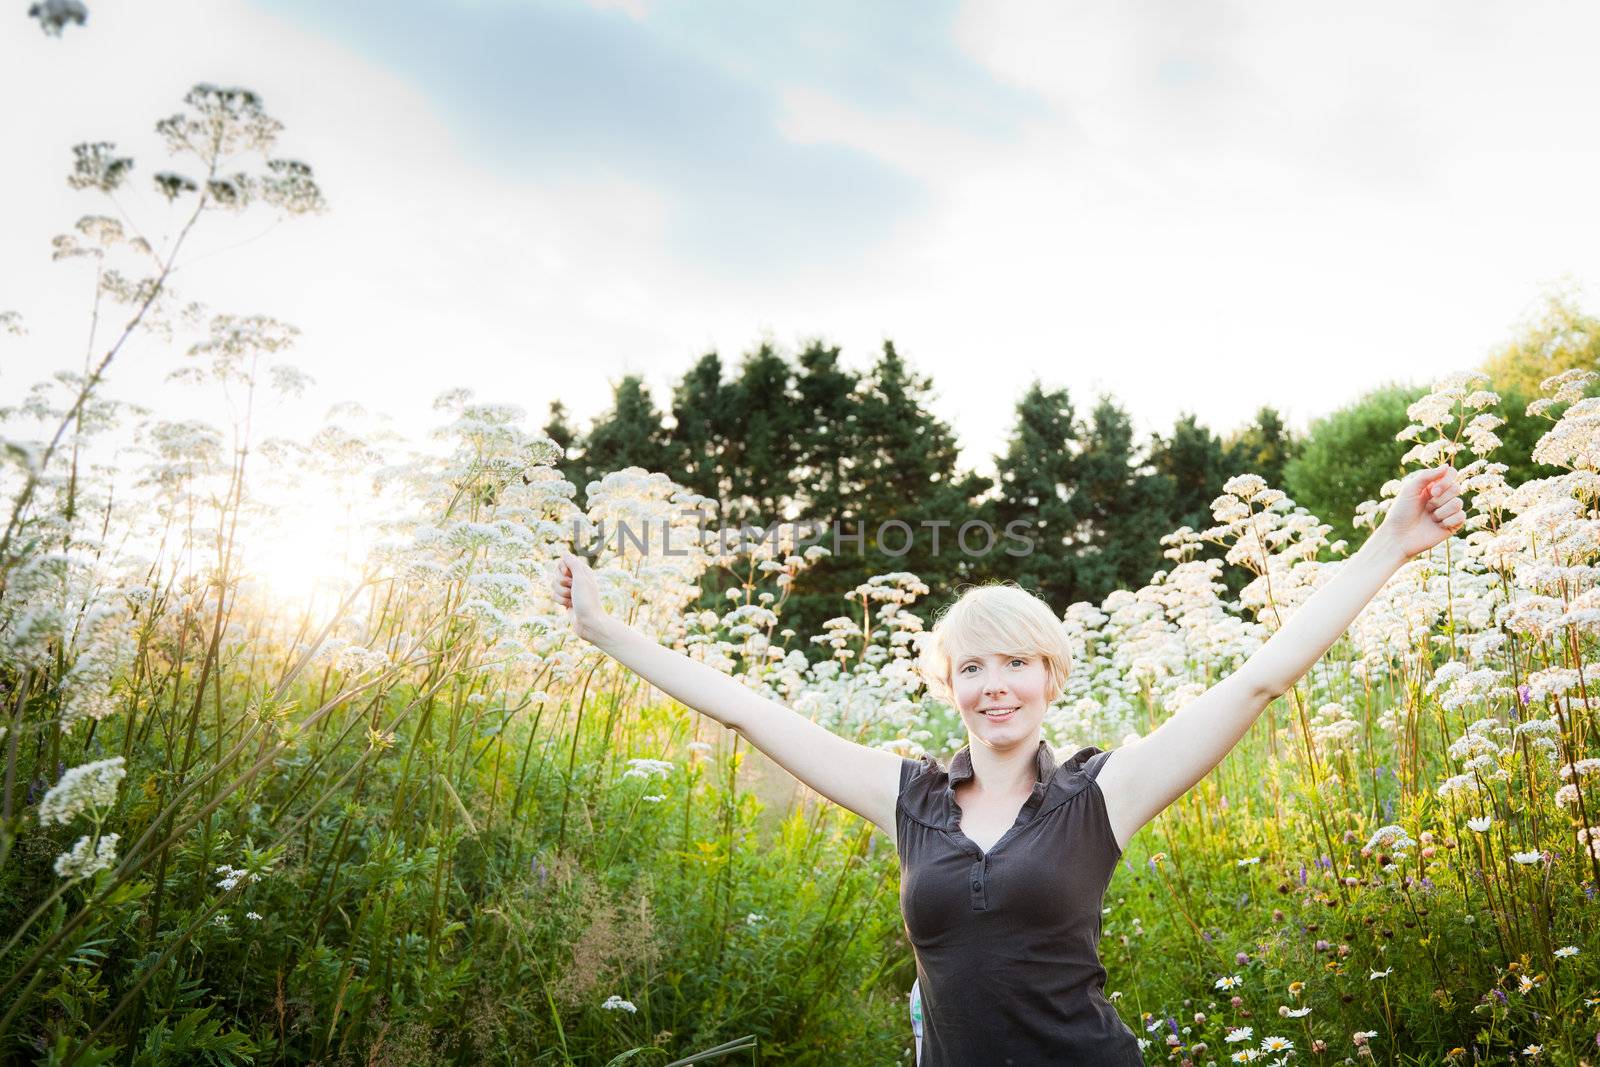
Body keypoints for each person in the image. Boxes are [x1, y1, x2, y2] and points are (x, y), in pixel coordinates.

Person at [550, 465, 1466, 1064]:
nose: (996, 687)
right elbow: (750, 711)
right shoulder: (907, 796)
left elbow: (1259, 680)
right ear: (949, 685)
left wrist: (1389, 544)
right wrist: (603, 629)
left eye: (1016, 664)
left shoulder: (1102, 793)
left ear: (1051, 675)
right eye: (973, 667)